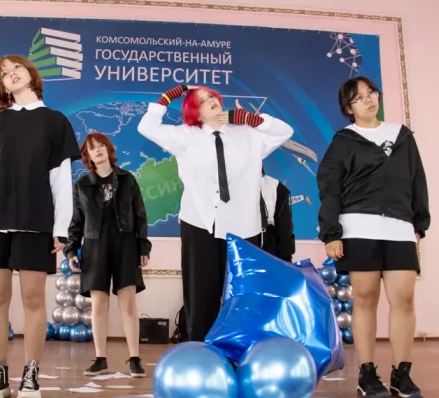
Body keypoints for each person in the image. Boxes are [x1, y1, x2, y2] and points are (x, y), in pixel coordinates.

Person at [0, 55, 80, 398]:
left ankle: (31, 375)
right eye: (3, 73)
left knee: (33, 299)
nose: (11, 74)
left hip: (35, 221)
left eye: (16, 68)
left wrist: (60, 227)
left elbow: (60, 181)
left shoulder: (55, 121)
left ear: (30, 74)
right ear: (1, 85)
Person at [137, 84, 294, 342]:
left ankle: (239, 350)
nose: (210, 100)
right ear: (194, 112)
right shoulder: (186, 136)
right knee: (201, 294)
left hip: (243, 226)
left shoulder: (248, 134)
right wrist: (168, 97)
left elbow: (285, 131)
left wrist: (251, 119)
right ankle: (201, 351)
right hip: (200, 223)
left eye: (211, 96)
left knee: (242, 295)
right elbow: (147, 127)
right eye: (201, 100)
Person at [316, 76, 430, 398]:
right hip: (358, 228)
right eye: (359, 97)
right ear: (348, 109)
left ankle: (402, 374)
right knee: (365, 300)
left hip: (399, 228)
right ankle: (367, 373)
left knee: (404, 300)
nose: (368, 100)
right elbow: (329, 188)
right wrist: (331, 233)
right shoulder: (344, 141)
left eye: (371, 93)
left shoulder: (402, 136)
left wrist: (419, 223)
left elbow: (418, 180)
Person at [64, 132, 151, 378]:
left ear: (109, 150)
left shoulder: (127, 179)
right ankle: (100, 359)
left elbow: (140, 215)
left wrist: (143, 247)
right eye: (92, 148)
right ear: (88, 156)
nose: (98, 150)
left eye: (102, 145)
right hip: (95, 247)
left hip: (126, 245)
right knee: (99, 305)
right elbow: (77, 221)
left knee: (128, 304)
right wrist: (71, 249)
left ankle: (134, 359)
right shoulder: (82, 185)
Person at [260, 168, 296, 262]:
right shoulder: (231, 186)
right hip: (238, 253)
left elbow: (285, 228)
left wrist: (286, 260)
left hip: (269, 252)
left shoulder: (277, 187)